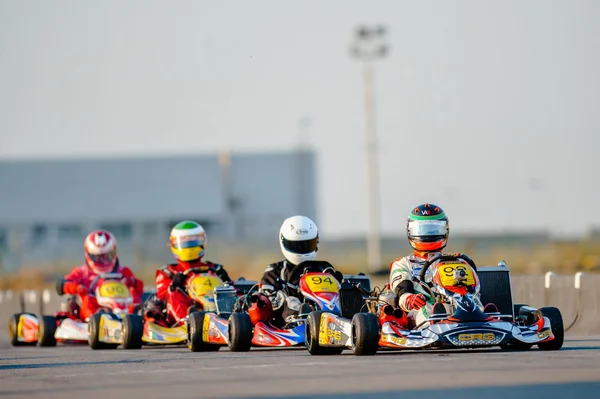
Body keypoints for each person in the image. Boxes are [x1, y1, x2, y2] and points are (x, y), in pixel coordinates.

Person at [389, 203, 497, 329]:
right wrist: (410, 298)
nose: (428, 235)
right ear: (410, 231)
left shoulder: (457, 260)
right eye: (422, 230)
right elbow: (402, 290)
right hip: (421, 306)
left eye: (434, 229)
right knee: (426, 309)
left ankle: (486, 317)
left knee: (472, 301)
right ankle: (434, 325)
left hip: (455, 302)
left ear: (445, 230)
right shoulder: (403, 263)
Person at [255, 215, 343, 327]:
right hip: (287, 319)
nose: (302, 250)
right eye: (296, 245)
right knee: (291, 301)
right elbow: (267, 300)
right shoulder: (275, 270)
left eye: (307, 245)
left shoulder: (324, 269)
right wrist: (283, 295)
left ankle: (337, 321)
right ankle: (298, 322)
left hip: (324, 310)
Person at [144, 221, 232, 327]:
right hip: (184, 314)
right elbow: (162, 296)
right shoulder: (168, 272)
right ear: (173, 244)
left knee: (231, 291)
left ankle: (231, 318)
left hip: (214, 304)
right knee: (173, 292)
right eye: (185, 242)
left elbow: (232, 288)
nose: (189, 246)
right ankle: (188, 323)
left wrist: (226, 281)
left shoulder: (214, 268)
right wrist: (175, 284)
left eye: (193, 241)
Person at [57, 230, 144, 321]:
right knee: (88, 299)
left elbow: (140, 289)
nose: (103, 261)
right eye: (98, 257)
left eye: (107, 256)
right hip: (95, 308)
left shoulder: (123, 271)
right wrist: (76, 287)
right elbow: (62, 285)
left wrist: (132, 282)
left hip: (123, 306)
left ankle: (137, 317)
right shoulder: (81, 272)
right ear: (89, 254)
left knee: (133, 293)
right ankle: (98, 319)